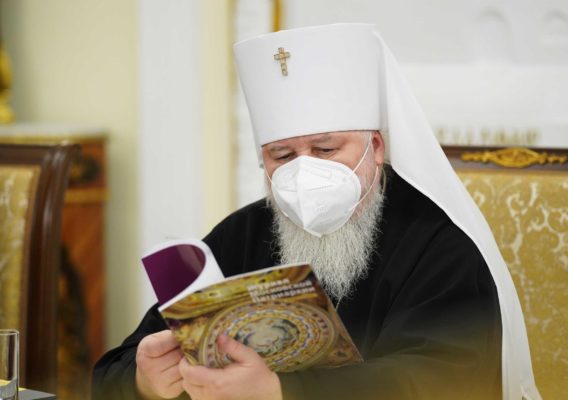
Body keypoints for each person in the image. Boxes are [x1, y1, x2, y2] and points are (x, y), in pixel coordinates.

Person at [93, 24, 541, 400]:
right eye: (282, 155)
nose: (303, 170)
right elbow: (113, 369)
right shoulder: (241, 234)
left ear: (375, 148)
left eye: (326, 149)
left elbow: (440, 381)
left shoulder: (439, 243)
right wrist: (144, 380)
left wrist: (281, 392)